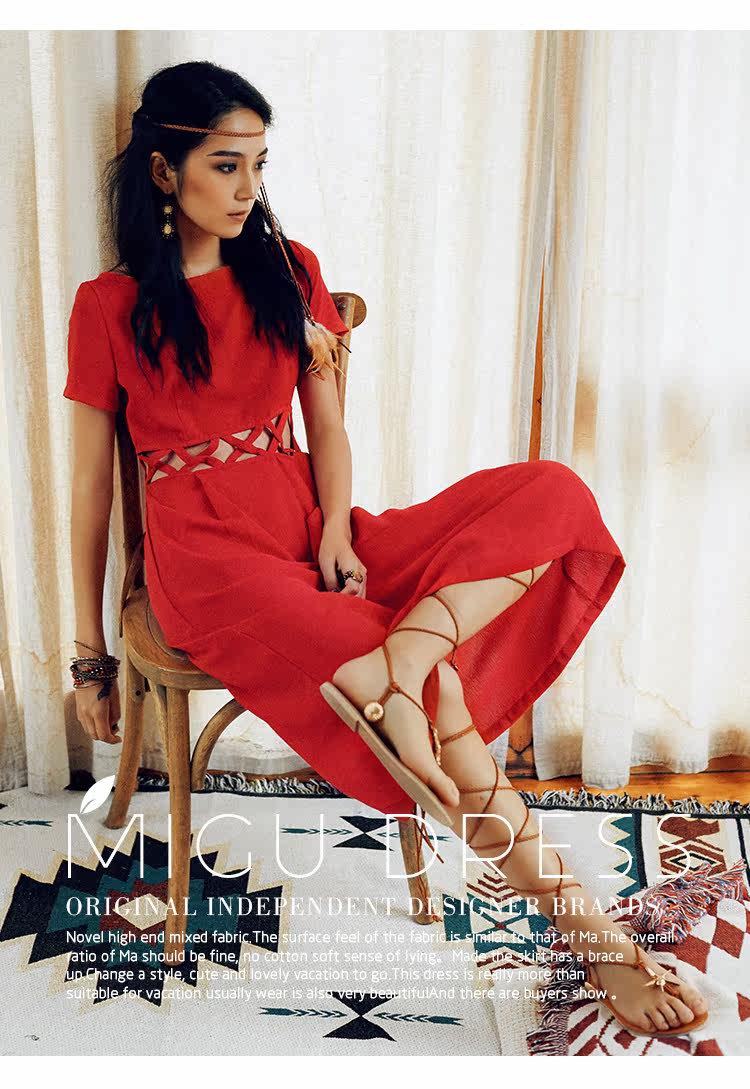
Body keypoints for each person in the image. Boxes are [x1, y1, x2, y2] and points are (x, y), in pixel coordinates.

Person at [64, 60, 707, 1037]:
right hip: (210, 564)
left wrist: (336, 531)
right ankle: (594, 939)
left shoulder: (290, 270)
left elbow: (327, 427)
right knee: (439, 703)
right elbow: (86, 495)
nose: (247, 189)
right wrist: (90, 657)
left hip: (315, 529)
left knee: (555, 495)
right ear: (164, 172)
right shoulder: (107, 306)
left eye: (259, 166)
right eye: (226, 166)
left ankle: (403, 662)